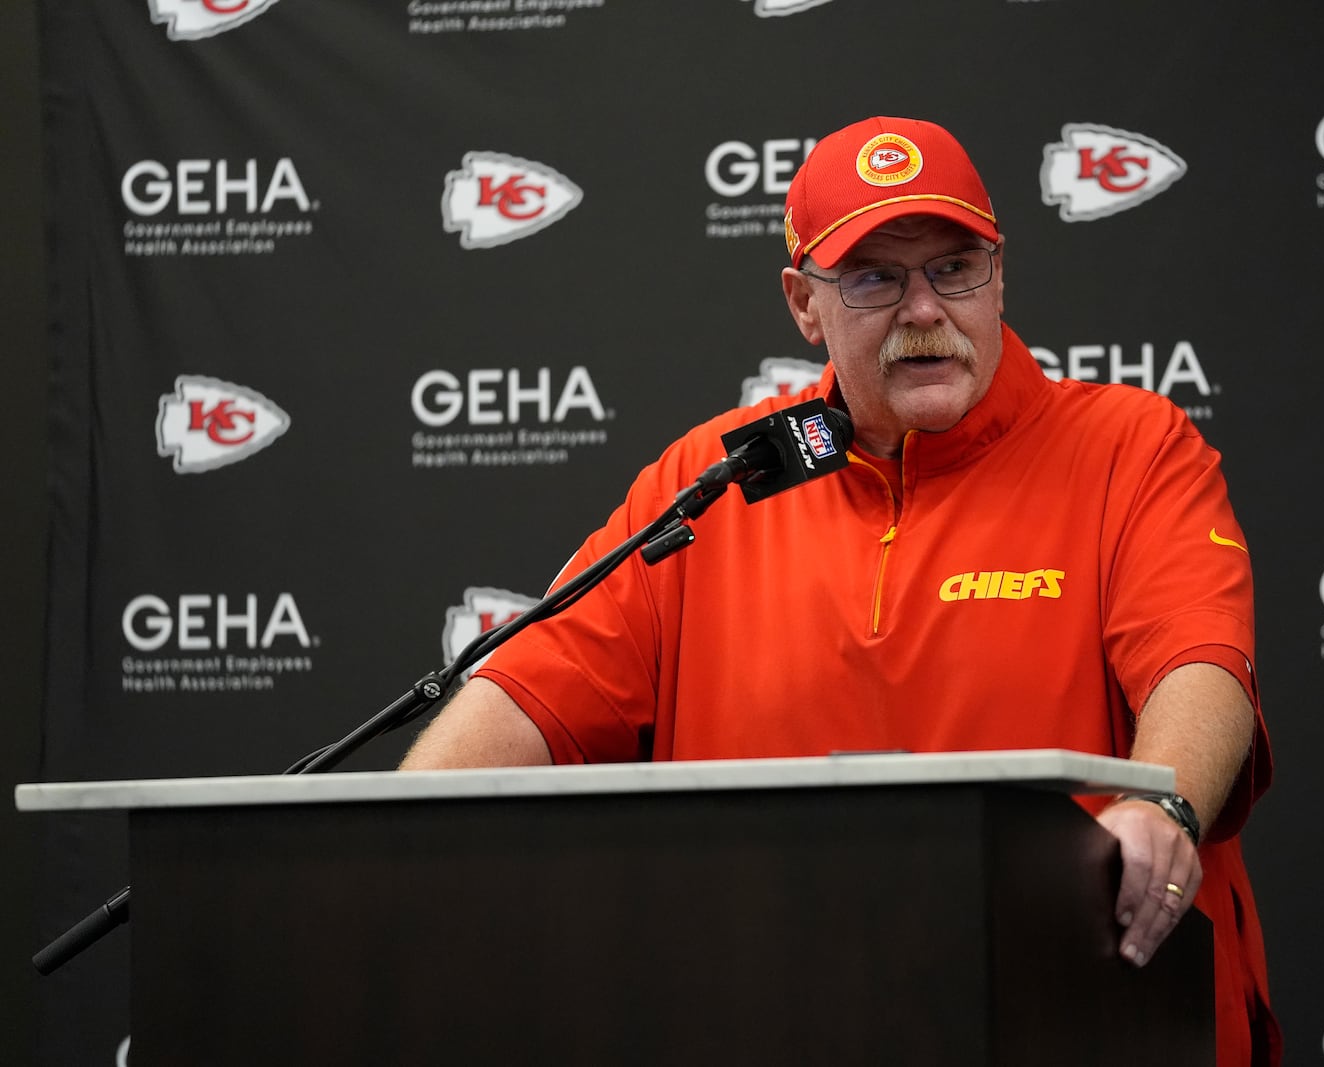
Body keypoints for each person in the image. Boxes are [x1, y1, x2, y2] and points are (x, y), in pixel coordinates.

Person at [402, 115, 1279, 1065]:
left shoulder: (1130, 447)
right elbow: (529, 693)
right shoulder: (715, 479)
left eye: (954, 266)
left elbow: (1200, 658)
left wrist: (1166, 807)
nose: (924, 310)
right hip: (777, 1016)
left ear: (1000, 272)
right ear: (804, 305)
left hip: (1078, 1012)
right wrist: (387, 858)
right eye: (874, 277)